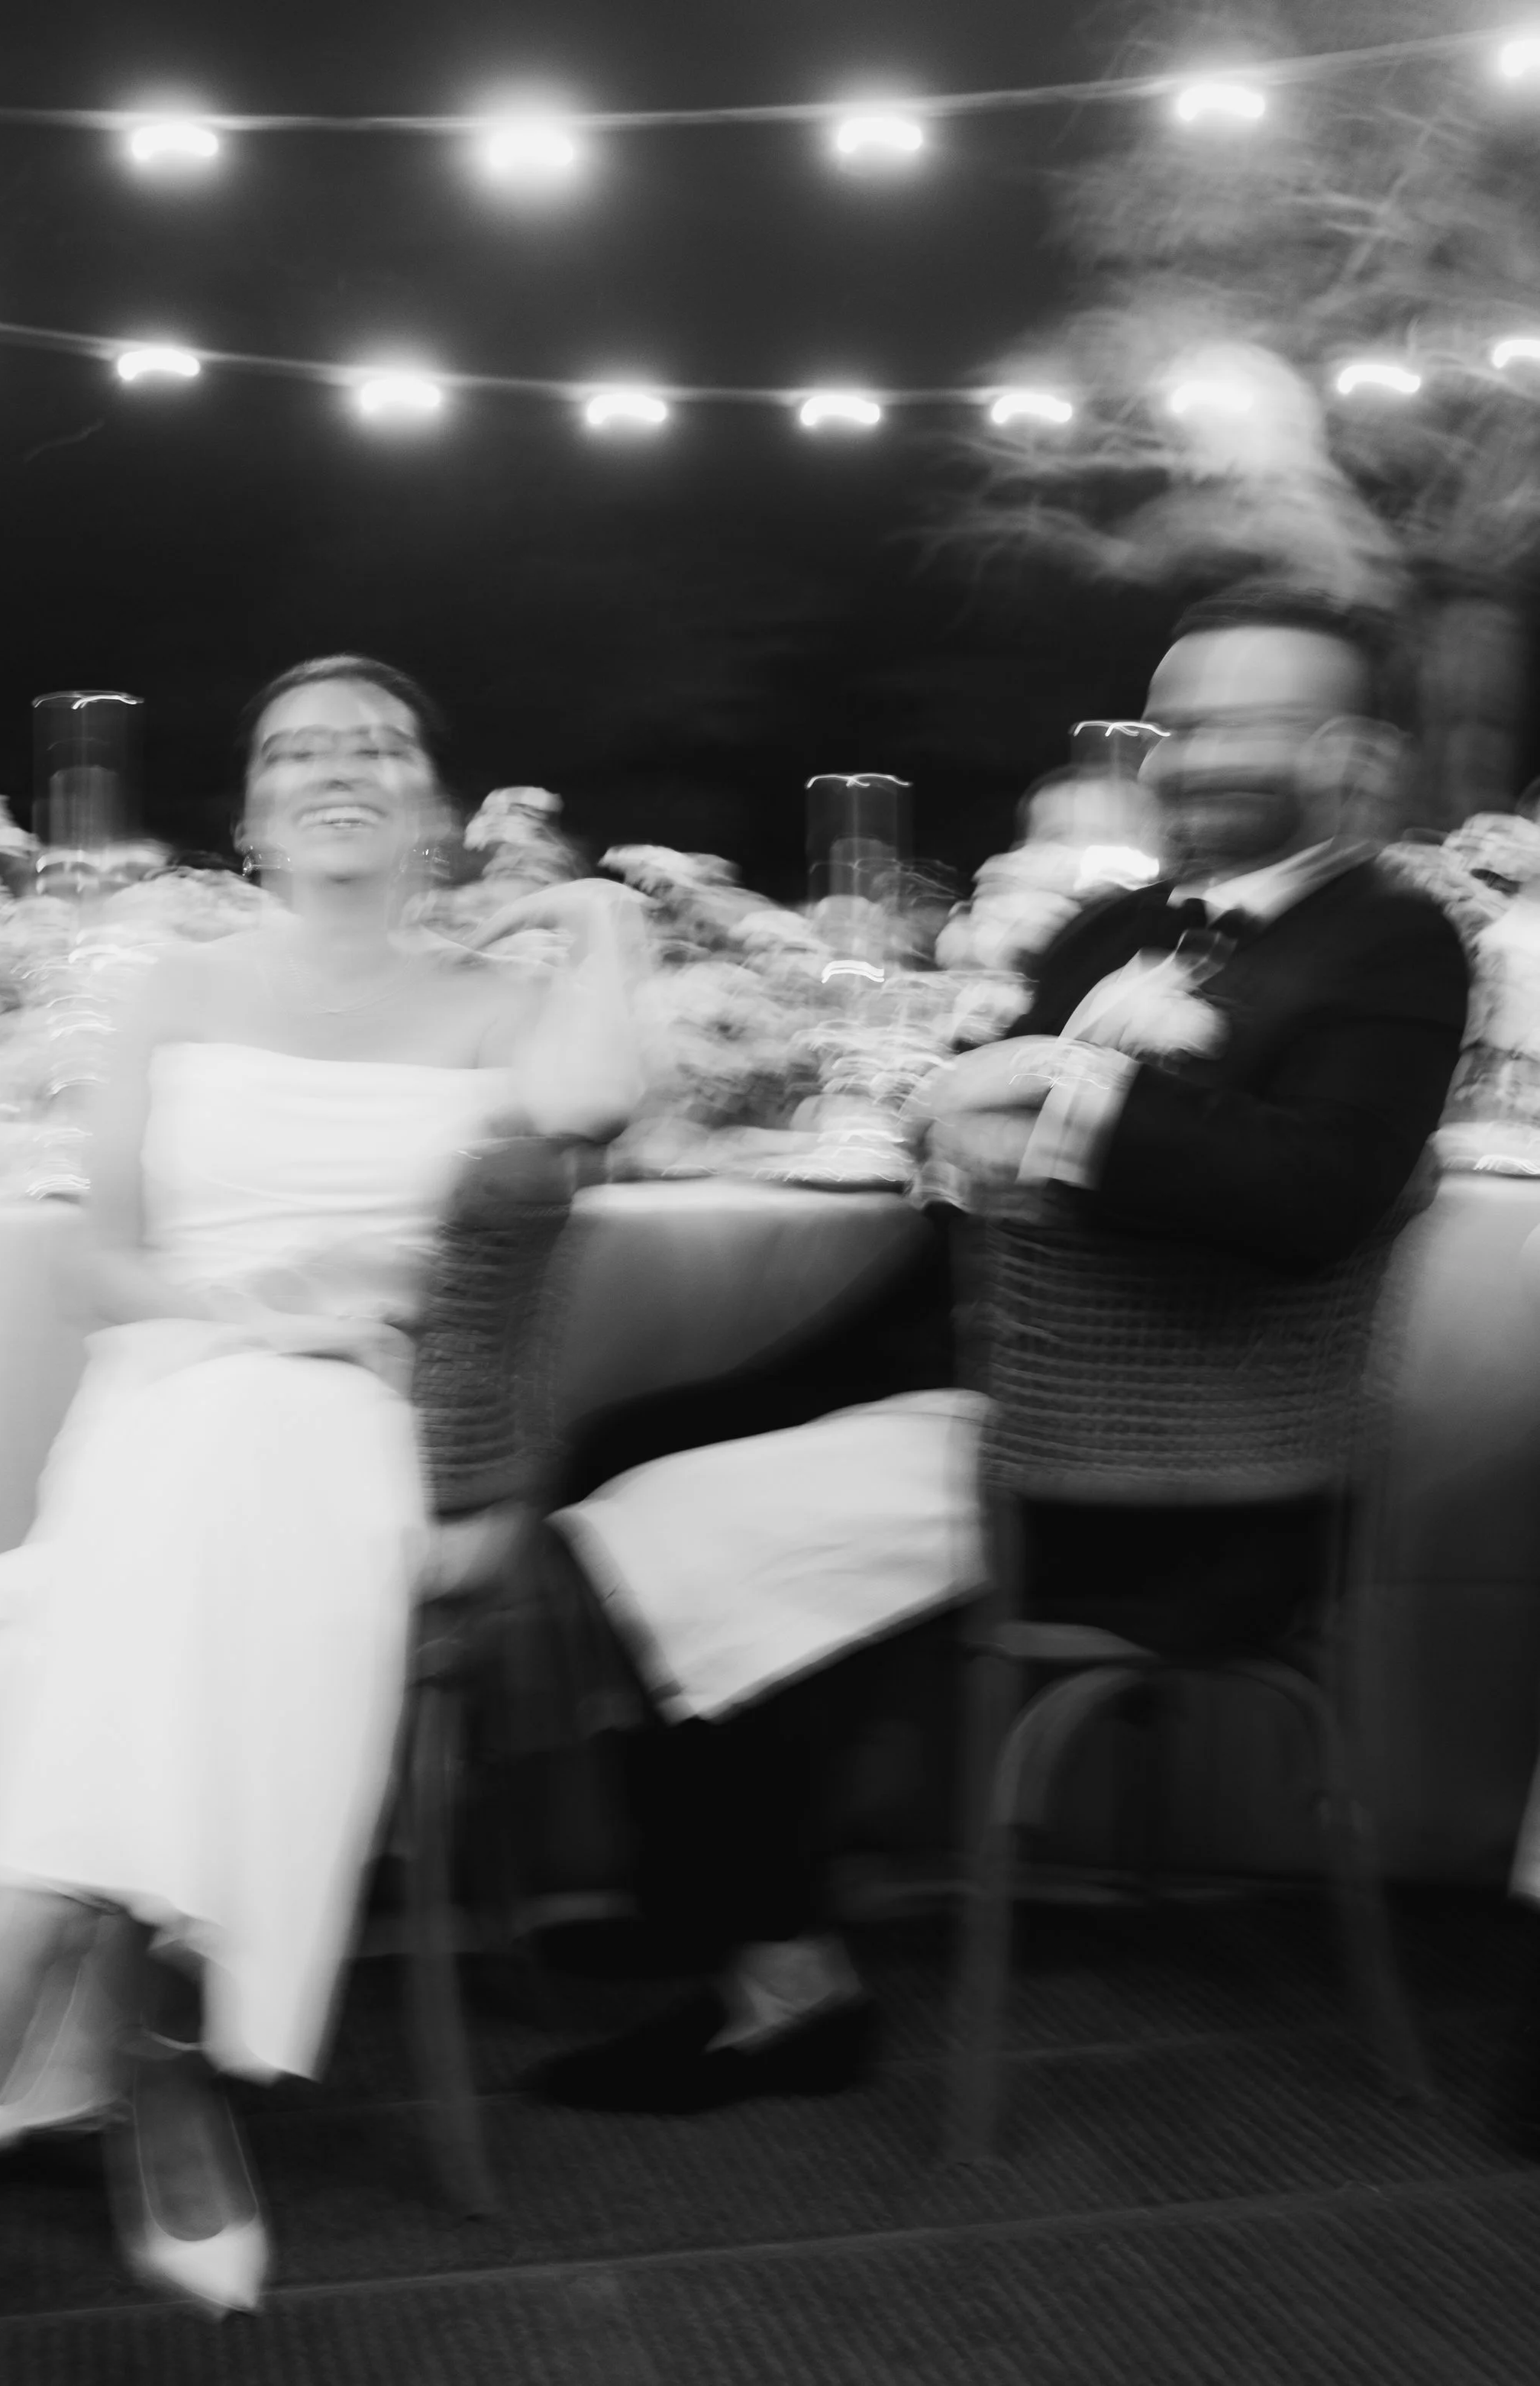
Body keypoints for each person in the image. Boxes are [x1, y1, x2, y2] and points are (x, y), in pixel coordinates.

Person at [528, 580, 1471, 2116]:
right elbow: (953, 1107)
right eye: (1176, 721)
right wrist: (1019, 1087)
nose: (1192, 753)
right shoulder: (1111, 918)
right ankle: (704, 1892)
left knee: (696, 1524)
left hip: (1173, 1463)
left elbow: (1310, 1196)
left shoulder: (1392, 941)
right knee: (613, 1448)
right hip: (963, 1358)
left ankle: (782, 1987)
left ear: (1349, 753)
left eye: (1244, 721)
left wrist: (1068, 1088)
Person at [0, 655, 644, 2313]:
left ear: (433, 803)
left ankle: (35, 1913)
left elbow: (592, 1105)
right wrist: (229, 1315)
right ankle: (162, 2064)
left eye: (378, 743)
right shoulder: (172, 983)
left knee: (233, 1473)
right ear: (250, 814)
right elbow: (98, 1256)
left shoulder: (492, 1010)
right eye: (297, 748)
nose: (337, 764)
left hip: (372, 1408)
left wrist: (589, 921)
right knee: (210, 1438)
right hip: (174, 1376)